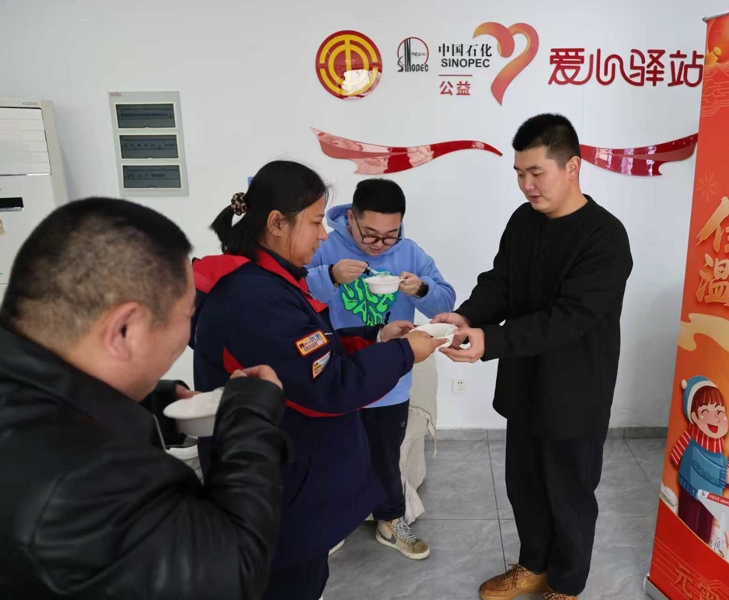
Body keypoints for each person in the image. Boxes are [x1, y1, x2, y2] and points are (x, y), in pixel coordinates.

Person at [0, 198, 291, 599]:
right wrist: (250, 424)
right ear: (125, 330)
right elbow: (232, 575)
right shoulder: (80, 487)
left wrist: (142, 407)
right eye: (187, 314)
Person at [191, 161, 443, 600]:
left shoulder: (267, 281)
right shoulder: (255, 298)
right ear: (276, 223)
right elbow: (329, 386)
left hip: (287, 482)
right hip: (274, 492)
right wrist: (405, 353)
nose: (322, 235)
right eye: (314, 222)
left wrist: (377, 337)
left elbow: (311, 348)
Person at [433, 114, 633, 600]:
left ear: (572, 167)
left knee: (569, 493)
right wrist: (466, 315)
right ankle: (534, 565)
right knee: (524, 486)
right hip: (525, 382)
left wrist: (491, 341)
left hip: (576, 391)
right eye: (520, 174)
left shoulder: (605, 237)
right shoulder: (524, 221)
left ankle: (566, 584)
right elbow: (501, 282)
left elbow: (568, 318)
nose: (527, 185)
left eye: (536, 173)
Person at [306, 178, 456, 559]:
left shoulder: (409, 252)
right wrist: (330, 276)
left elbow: (446, 301)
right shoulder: (325, 246)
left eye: (390, 235)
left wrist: (421, 289)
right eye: (371, 235)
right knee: (332, 453)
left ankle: (390, 520)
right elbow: (296, 294)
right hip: (338, 374)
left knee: (386, 456)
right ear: (351, 219)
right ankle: (333, 522)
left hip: (391, 379)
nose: (380, 245)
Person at [670, 376, 729, 543]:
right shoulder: (693, 445)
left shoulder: (717, 446)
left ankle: (699, 551)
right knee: (687, 528)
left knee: (705, 532)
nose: (715, 418)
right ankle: (683, 551)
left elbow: (719, 463)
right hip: (692, 492)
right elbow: (701, 465)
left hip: (711, 497)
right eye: (706, 412)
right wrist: (723, 475)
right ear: (694, 416)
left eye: (719, 412)